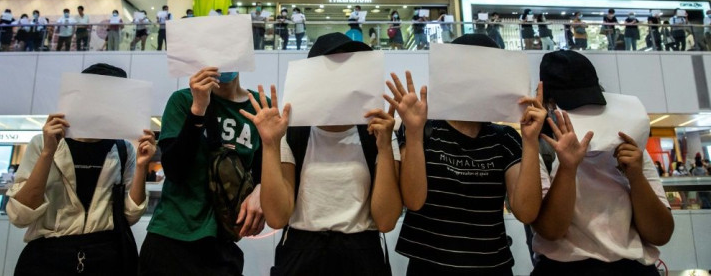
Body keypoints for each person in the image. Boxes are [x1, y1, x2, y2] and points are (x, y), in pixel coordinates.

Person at [240, 33, 401, 276]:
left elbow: (386, 221)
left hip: (362, 253)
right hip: (301, 253)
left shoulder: (378, 132)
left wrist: (385, 147)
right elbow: (276, 217)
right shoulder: (294, 132)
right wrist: (270, 144)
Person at [388, 34, 547, 275]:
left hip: (492, 266)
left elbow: (526, 212)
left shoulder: (506, 138)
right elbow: (413, 200)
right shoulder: (424, 129)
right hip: (429, 267)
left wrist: (531, 141)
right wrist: (413, 131)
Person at [531, 50, 674, 276]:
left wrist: (635, 176)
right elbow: (550, 230)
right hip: (563, 268)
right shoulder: (540, 149)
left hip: (633, 267)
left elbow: (661, 234)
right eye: (574, 105)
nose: (585, 112)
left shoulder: (628, 145)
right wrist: (568, 168)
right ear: (548, 103)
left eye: (590, 102)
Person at [6, 63, 156, 275]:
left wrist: (142, 167)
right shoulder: (43, 143)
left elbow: (130, 216)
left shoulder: (123, 149)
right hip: (48, 257)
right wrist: (48, 152)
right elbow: (19, 216)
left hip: (106, 256)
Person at [139, 67, 265, 276]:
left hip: (222, 244)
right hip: (171, 237)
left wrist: (262, 189)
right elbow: (174, 171)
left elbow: (265, 168)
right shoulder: (182, 100)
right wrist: (198, 108)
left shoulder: (259, 106)